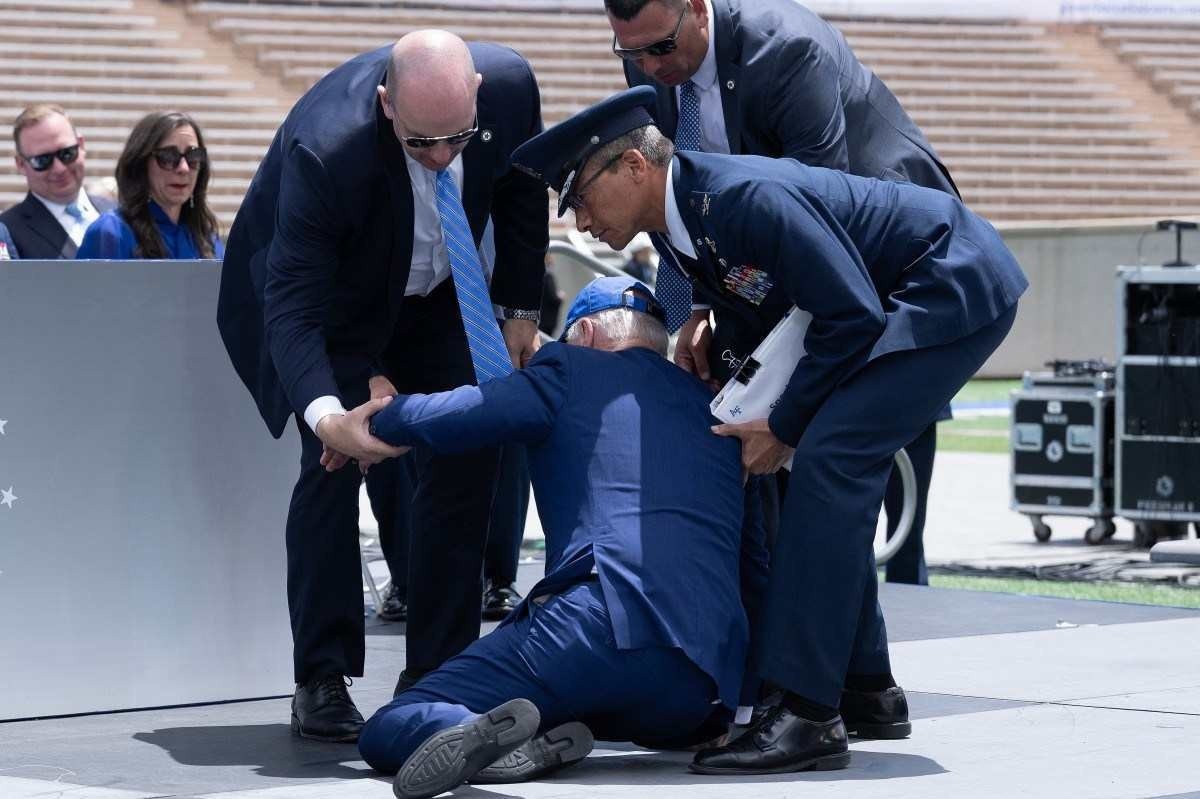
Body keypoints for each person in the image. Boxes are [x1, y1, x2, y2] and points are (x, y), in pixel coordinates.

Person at [510, 87, 1027, 774]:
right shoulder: (680, 220)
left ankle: (809, 715)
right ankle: (865, 685)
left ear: (634, 166)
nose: (579, 222)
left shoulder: (741, 199)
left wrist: (782, 424)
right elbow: (765, 300)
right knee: (818, 466)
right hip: (892, 293)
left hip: (945, 280)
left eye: (581, 198)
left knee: (831, 459)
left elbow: (851, 314)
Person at [216, 31, 548, 742]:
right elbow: (294, 306)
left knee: (469, 445)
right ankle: (322, 675)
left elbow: (521, 187)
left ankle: (440, 672)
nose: (441, 157)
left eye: (458, 138)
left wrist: (520, 306)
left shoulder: (512, 89)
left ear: (478, 97)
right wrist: (328, 413)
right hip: (328, 299)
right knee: (333, 463)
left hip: (439, 293)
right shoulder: (326, 151)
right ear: (386, 103)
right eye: (421, 141)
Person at [342, 276, 767, 799]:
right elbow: (754, 564)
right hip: (696, 683)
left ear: (584, 333)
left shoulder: (568, 367)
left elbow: (465, 410)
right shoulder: (716, 410)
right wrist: (739, 703)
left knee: (391, 724)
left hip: (592, 626)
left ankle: (482, 732)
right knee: (597, 699)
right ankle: (542, 735)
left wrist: (370, 424)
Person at [606, 0, 959, 586]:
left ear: (696, 8)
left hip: (886, 237)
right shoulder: (650, 56)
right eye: (631, 51)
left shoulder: (788, 50)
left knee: (879, 397)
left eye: (660, 47)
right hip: (766, 240)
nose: (648, 65)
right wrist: (699, 306)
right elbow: (680, 192)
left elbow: (817, 208)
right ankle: (809, 586)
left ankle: (900, 574)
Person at [77, 111, 222, 259]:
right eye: (168, 157)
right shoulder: (110, 232)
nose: (183, 168)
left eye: (193, 156)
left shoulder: (207, 239)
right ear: (141, 164)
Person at [1, 104, 114, 259]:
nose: (59, 168)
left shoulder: (122, 214)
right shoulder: (7, 231)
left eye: (67, 153)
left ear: (81, 145)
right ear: (21, 164)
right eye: (42, 160)